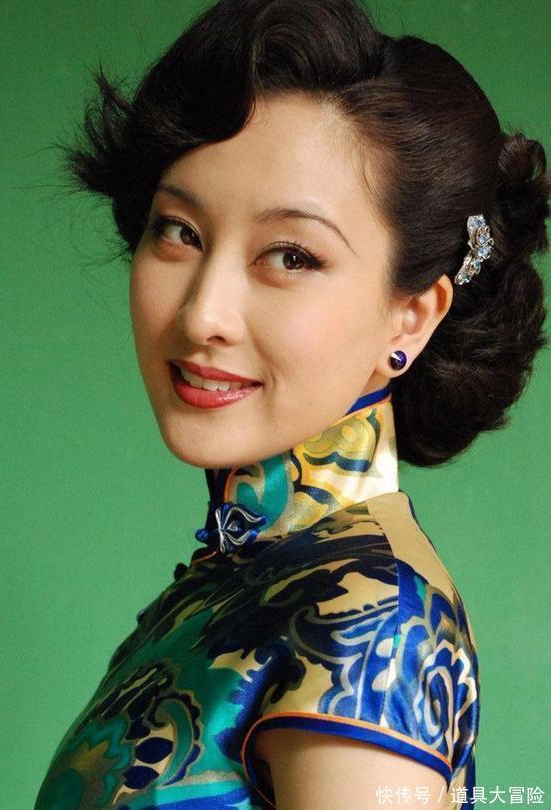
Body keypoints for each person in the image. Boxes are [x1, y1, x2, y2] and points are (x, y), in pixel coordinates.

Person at [34, 0, 550, 808]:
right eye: (179, 231)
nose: (203, 314)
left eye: (290, 255)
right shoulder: (232, 583)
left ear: (411, 316)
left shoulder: (370, 620)